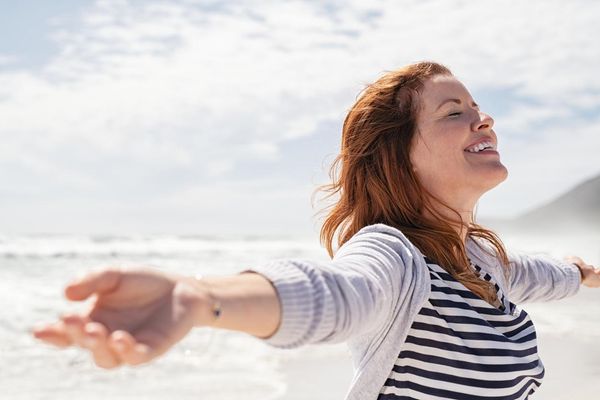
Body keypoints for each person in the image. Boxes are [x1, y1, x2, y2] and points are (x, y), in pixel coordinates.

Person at [32, 61, 599, 400]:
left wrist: (585, 271)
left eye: (478, 106)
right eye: (453, 111)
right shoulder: (394, 255)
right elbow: (336, 296)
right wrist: (203, 298)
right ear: (398, 158)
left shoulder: (480, 258)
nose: (484, 118)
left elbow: (547, 274)